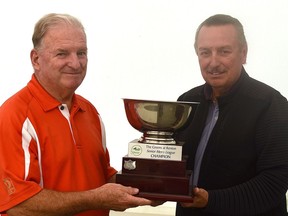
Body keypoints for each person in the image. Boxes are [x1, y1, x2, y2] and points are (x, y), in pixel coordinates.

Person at [0, 13, 160, 216]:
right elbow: (18, 205)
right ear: (36, 59)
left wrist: (152, 186)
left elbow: (102, 178)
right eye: (62, 53)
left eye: (81, 53)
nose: (75, 63)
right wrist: (94, 198)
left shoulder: (89, 111)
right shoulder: (14, 116)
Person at [174, 14, 288, 215]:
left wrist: (211, 200)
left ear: (243, 53)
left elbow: (275, 182)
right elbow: (173, 164)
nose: (213, 62)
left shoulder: (271, 105)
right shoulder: (186, 102)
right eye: (205, 52)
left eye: (224, 51)